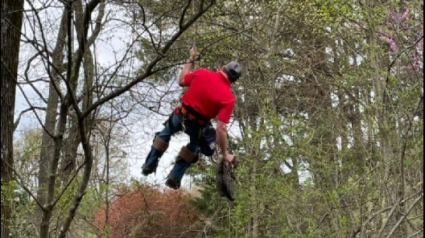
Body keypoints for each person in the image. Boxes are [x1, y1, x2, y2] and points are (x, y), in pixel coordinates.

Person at [141, 46, 242, 189]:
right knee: (194, 146)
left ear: (222, 67)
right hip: (198, 125)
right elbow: (221, 128)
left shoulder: (202, 73)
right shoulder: (228, 98)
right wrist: (225, 153)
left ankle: (149, 165)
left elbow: (181, 80)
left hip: (181, 115)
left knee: (165, 133)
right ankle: (174, 177)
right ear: (234, 81)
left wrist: (191, 59)